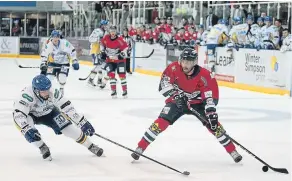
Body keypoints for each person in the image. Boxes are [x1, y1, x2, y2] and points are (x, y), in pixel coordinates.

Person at [131, 48, 243, 163]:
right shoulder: (173, 68)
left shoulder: (205, 75)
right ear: (180, 60)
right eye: (184, 61)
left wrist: (211, 113)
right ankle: (140, 147)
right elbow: (164, 85)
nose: (185, 65)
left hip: (198, 104)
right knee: (161, 122)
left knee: (214, 125)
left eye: (189, 62)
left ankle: (232, 151)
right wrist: (176, 96)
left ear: (194, 63)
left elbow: (210, 96)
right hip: (177, 101)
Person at [13, 75, 103, 161]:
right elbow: (19, 115)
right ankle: (41, 146)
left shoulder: (53, 92)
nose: (47, 93)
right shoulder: (26, 96)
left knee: (69, 129)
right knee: (30, 131)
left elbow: (67, 107)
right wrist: (25, 129)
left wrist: (81, 121)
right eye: (43, 91)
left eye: (47, 90)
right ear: (36, 90)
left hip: (50, 112)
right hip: (31, 115)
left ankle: (90, 145)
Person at [40, 30, 79, 95]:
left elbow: (72, 51)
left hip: (64, 63)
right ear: (51, 37)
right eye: (54, 37)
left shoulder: (65, 43)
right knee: (49, 78)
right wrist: (43, 63)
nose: (55, 38)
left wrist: (74, 61)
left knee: (62, 78)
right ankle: (47, 91)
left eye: (57, 37)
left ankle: (61, 88)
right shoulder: (49, 45)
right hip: (52, 63)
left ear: (59, 37)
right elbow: (44, 54)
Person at [100, 25, 129, 98]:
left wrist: (122, 54)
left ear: (116, 32)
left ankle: (124, 91)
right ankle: (113, 91)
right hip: (110, 61)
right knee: (111, 75)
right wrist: (102, 52)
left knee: (122, 76)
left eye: (114, 31)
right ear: (109, 31)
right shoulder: (106, 38)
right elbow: (102, 45)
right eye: (111, 31)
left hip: (120, 61)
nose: (113, 33)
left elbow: (125, 48)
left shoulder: (120, 39)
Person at [87, 20, 109, 87]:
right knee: (99, 66)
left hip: (102, 51)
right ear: (101, 25)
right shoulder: (97, 31)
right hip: (95, 51)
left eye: (106, 25)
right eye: (104, 25)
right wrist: (97, 39)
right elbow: (90, 39)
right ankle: (91, 79)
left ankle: (98, 80)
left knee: (102, 65)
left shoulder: (106, 32)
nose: (105, 26)